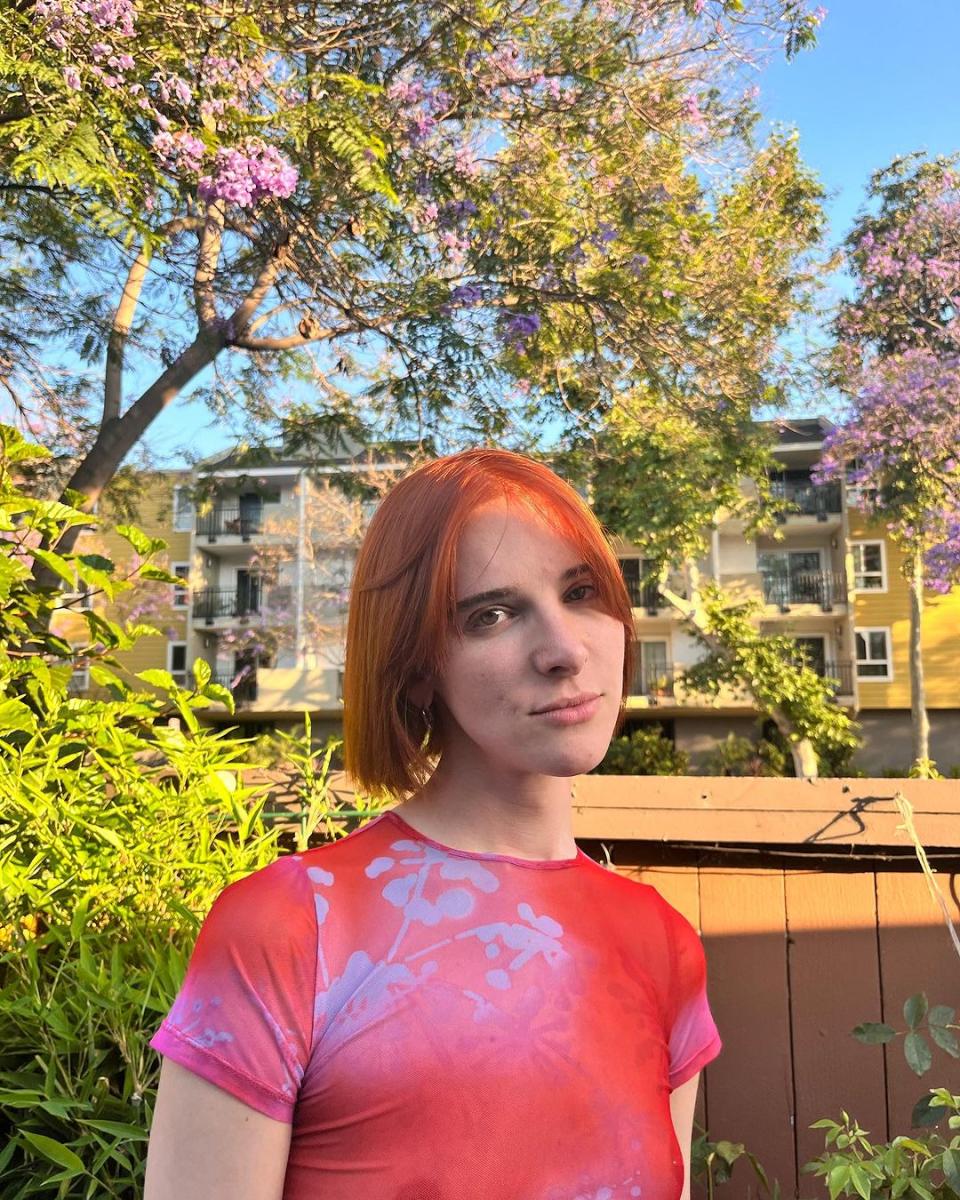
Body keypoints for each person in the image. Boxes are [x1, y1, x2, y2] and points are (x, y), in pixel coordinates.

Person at [144, 448, 722, 1200]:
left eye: (581, 592)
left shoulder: (661, 942)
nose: (565, 650)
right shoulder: (292, 925)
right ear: (417, 664)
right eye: (491, 614)